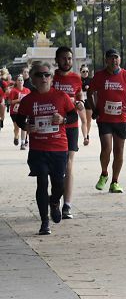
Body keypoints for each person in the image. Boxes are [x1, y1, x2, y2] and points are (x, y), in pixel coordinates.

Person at [10, 62, 75, 235]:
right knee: (42, 182)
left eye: (47, 75)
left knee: (59, 184)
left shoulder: (61, 96)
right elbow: (19, 119)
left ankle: (54, 202)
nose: (44, 78)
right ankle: (44, 222)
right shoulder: (28, 100)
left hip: (58, 147)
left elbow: (73, 115)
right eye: (40, 75)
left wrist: (63, 120)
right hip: (38, 148)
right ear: (32, 79)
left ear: (52, 78)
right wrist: (26, 127)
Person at [89, 49, 126, 193]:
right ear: (106, 60)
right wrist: (94, 108)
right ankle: (104, 173)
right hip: (104, 119)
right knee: (106, 148)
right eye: (111, 58)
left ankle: (115, 181)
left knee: (119, 151)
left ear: (120, 60)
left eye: (116, 58)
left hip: (121, 119)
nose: (114, 61)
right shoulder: (99, 76)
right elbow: (89, 93)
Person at [52, 47, 87, 219]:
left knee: (69, 164)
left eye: (70, 59)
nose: (67, 61)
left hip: (71, 125)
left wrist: (80, 103)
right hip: (54, 127)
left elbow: (79, 96)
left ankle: (67, 204)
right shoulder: (50, 78)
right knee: (56, 166)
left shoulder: (76, 78)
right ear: (57, 60)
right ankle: (55, 199)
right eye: (64, 58)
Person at [7, 75, 31, 149]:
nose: (20, 81)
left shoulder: (27, 90)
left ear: (23, 82)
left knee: (23, 127)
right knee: (17, 128)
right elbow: (10, 102)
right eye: (19, 80)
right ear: (16, 82)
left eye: (21, 80)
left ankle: (23, 143)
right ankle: (16, 136)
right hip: (14, 112)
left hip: (24, 111)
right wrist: (19, 100)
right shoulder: (14, 91)